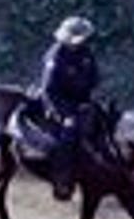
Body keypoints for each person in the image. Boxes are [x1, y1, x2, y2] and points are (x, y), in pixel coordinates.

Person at [34, 15, 100, 200]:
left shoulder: (85, 52)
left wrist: (87, 97)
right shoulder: (55, 56)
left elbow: (94, 76)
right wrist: (64, 115)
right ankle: (62, 180)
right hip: (58, 103)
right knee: (68, 134)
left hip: (81, 100)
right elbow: (48, 90)